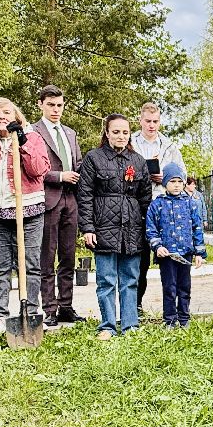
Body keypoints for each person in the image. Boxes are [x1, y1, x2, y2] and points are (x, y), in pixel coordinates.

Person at [77, 113, 152, 339]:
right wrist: (88, 228)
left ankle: (130, 325)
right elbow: (85, 195)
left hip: (131, 229)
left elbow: (145, 197)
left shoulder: (137, 161)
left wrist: (146, 228)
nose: (121, 136)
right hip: (103, 227)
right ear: (107, 133)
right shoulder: (93, 158)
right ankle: (107, 325)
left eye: (125, 132)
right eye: (116, 131)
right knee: (106, 280)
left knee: (131, 279)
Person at [0, 99, 50, 334]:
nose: (1, 116)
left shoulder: (31, 137)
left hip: (28, 210)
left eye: (6, 112)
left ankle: (31, 313)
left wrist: (20, 142)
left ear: (16, 115)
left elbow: (39, 170)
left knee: (29, 265)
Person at [129, 102, 184, 313]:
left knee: (168, 258)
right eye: (148, 121)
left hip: (166, 206)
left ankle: (171, 307)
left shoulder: (169, 146)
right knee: (140, 259)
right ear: (141, 120)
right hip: (139, 204)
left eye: (155, 121)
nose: (152, 125)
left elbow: (182, 174)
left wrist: (166, 178)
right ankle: (136, 303)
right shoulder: (131, 143)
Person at [34, 85, 82, 328]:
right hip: (48, 199)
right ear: (40, 104)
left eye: (59, 105)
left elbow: (79, 163)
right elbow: (31, 169)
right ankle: (49, 308)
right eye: (51, 104)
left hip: (70, 200)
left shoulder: (70, 133)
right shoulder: (32, 132)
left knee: (68, 256)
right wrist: (59, 176)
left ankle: (66, 306)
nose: (56, 109)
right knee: (47, 256)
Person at [146, 162, 206, 328]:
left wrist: (199, 253)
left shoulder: (191, 203)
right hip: (167, 255)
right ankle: (170, 320)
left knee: (184, 287)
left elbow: (197, 228)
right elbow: (151, 229)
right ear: (165, 182)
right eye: (172, 181)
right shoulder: (157, 204)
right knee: (169, 288)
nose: (177, 185)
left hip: (185, 254)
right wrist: (157, 247)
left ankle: (184, 318)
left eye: (180, 181)